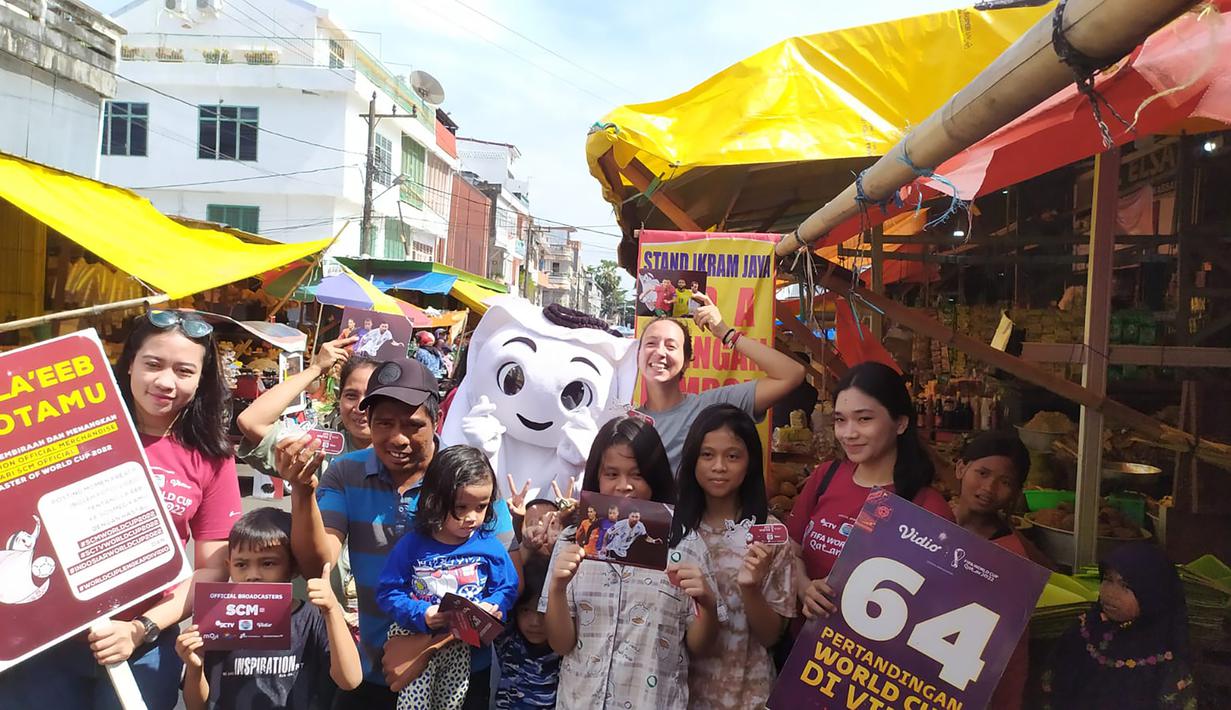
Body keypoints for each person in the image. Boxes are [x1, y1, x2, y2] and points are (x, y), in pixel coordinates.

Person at [0, 310, 243, 709]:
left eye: (184, 371)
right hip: (42, 646)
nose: (165, 382)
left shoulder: (212, 457)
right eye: (153, 364)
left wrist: (140, 629)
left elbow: (213, 568)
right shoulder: (64, 428)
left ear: (201, 381)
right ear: (130, 362)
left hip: (143, 648)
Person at [276, 358, 514, 710]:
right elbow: (319, 562)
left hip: (460, 675)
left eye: (413, 425)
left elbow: (508, 565)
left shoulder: (469, 475)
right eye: (384, 423)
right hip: (372, 668)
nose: (398, 438)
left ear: (437, 421)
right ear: (368, 422)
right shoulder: (345, 473)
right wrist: (302, 491)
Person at [542, 415, 723, 709]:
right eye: (611, 474)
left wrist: (707, 603)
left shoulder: (685, 545)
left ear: (655, 477)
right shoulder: (572, 541)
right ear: (596, 477)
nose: (624, 486)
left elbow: (700, 647)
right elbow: (561, 644)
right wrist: (557, 589)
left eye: (637, 474)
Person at [787, 361, 954, 622]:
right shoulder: (826, 476)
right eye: (840, 420)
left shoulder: (928, 508)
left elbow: (936, 603)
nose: (849, 433)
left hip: (869, 657)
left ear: (900, 423)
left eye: (864, 419)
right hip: (805, 651)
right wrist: (804, 587)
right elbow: (792, 550)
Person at [236, 338, 377, 629]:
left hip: (381, 617)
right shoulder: (319, 448)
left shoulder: (406, 461)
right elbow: (251, 421)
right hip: (317, 613)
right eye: (351, 395)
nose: (361, 406)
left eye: (372, 396)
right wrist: (314, 369)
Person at [668, 404, 796, 709]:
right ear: (692, 459)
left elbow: (770, 638)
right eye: (707, 454)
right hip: (674, 695)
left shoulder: (770, 535)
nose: (719, 466)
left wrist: (750, 587)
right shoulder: (671, 530)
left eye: (733, 456)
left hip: (747, 696)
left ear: (750, 462)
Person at [174, 508, 362, 709]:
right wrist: (195, 668)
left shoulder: (313, 618)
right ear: (229, 566)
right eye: (241, 565)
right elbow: (196, 706)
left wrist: (332, 609)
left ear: (293, 567)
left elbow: (350, 680)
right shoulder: (216, 621)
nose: (253, 575)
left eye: (268, 563)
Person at [376, 446, 518, 710]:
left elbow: (508, 587)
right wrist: (421, 612)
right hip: (416, 637)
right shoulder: (413, 545)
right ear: (436, 500)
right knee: (413, 705)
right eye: (460, 507)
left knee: (452, 703)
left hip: (460, 644)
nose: (471, 518)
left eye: (481, 506)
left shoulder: (490, 546)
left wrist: (494, 605)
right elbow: (388, 592)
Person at [637, 295, 805, 472]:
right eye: (651, 343)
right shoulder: (626, 420)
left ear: (687, 360)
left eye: (671, 346)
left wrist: (727, 334)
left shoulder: (710, 407)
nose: (660, 352)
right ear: (637, 354)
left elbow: (792, 374)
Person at [1044, 542, 1196, 709]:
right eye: (1108, 580)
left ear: (1153, 595)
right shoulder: (1083, 633)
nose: (1111, 593)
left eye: (1125, 586)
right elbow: (1052, 690)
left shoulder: (1165, 659)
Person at [952, 431, 1036, 710]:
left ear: (1016, 492)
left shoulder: (1010, 557)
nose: (989, 487)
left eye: (1005, 482)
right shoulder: (927, 519)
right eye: (983, 473)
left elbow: (1009, 654)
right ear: (960, 467)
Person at [494, 557, 561, 709]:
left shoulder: (566, 654)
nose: (535, 622)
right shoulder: (508, 641)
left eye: (543, 611)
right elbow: (507, 588)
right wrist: (527, 549)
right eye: (526, 610)